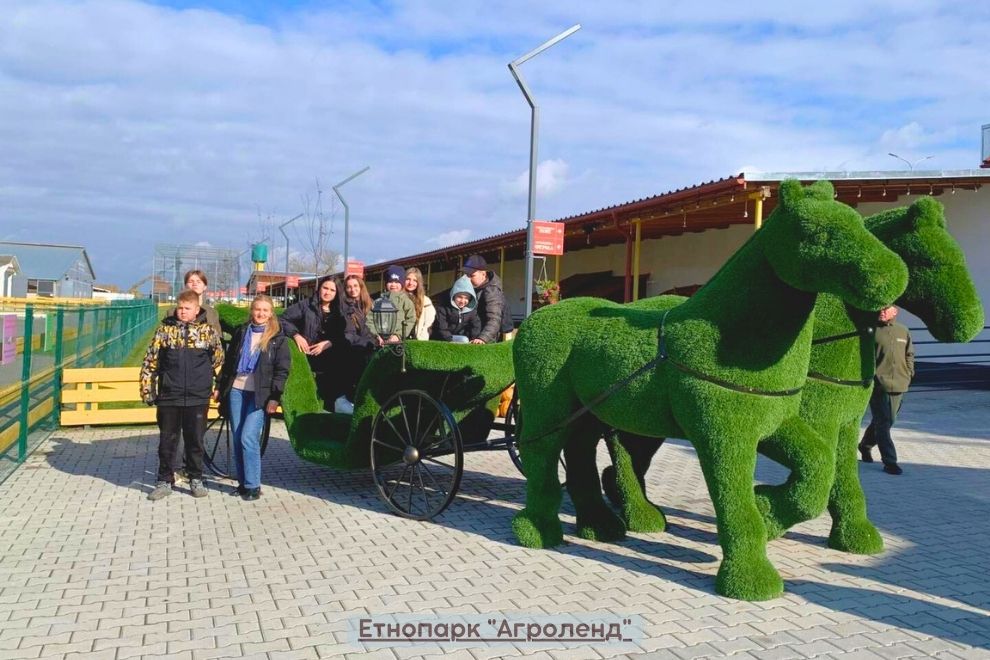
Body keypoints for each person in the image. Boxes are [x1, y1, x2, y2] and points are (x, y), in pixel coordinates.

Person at [140, 289, 224, 500]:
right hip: (170, 396)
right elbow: (150, 362)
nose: (183, 312)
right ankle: (163, 480)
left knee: (195, 441)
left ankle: (196, 478)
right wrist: (148, 390)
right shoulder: (164, 332)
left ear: (197, 310)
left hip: (198, 397)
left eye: (187, 308)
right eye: (180, 308)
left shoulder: (208, 333)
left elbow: (220, 363)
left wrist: (219, 387)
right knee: (167, 441)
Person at [216, 295, 290, 500]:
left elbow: (281, 371)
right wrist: (219, 386)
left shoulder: (277, 339)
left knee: (249, 436)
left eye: (265, 310)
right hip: (237, 391)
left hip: (260, 395)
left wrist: (275, 397)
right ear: (252, 311)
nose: (261, 314)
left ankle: (253, 485)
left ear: (271, 314)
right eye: (258, 309)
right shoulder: (242, 332)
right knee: (239, 437)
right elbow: (230, 363)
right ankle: (242, 483)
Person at [859, 305, 915, 475]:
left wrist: (909, 372)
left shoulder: (903, 331)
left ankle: (865, 445)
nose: (882, 312)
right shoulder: (871, 330)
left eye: (886, 309)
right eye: (880, 309)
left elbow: (909, 354)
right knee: (884, 423)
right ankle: (890, 462)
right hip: (878, 385)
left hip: (900, 383)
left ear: (895, 311)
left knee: (885, 421)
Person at [280, 277, 344, 404]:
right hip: (306, 359)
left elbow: (346, 334)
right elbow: (282, 319)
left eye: (332, 290)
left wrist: (329, 342)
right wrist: (296, 335)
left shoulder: (340, 311)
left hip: (331, 364)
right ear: (319, 288)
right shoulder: (306, 305)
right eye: (325, 288)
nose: (328, 292)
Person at [337, 274, 375, 410]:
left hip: (371, 346)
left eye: (355, 286)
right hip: (356, 351)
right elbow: (350, 335)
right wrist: (373, 340)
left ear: (361, 287)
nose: (352, 289)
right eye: (348, 287)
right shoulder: (345, 308)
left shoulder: (371, 304)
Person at [461, 254, 513, 344]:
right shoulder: (473, 288)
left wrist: (483, 338)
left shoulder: (492, 291)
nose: (468, 279)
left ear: (483, 274)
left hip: (486, 341)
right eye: (466, 275)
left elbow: (494, 318)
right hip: (472, 336)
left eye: (472, 275)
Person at [368, 265, 416, 344]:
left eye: (397, 282)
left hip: (398, 343)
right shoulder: (377, 302)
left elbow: (411, 320)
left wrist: (398, 335)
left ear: (402, 284)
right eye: (390, 282)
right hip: (379, 342)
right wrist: (376, 335)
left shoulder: (406, 302)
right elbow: (369, 320)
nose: (393, 285)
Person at [433, 274, 481, 342]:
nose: (462, 301)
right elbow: (441, 328)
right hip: (442, 338)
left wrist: (473, 339)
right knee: (464, 340)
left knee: (465, 339)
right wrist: (450, 340)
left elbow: (476, 326)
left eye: (466, 298)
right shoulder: (443, 308)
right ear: (453, 295)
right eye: (460, 297)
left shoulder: (471, 311)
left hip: (460, 336)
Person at [173, 269, 222, 336]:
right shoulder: (172, 312)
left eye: (198, 282)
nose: (195, 284)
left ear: (205, 287)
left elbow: (218, 338)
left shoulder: (212, 313)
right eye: (191, 281)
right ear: (185, 286)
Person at [404, 267, 436, 340]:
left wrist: (422, 337)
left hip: (417, 339)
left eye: (415, 280)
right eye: (408, 279)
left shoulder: (426, 301)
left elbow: (429, 322)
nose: (411, 283)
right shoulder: (397, 298)